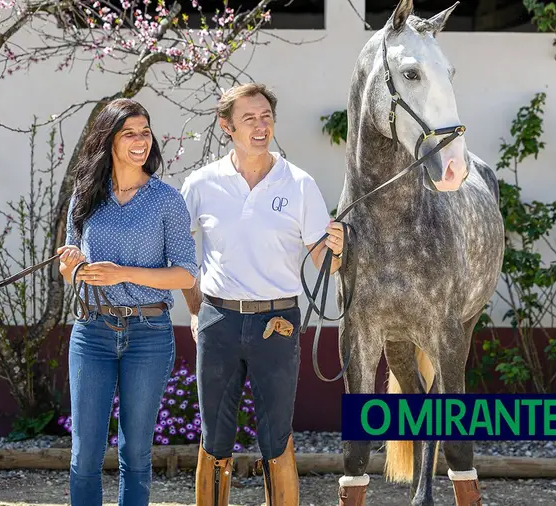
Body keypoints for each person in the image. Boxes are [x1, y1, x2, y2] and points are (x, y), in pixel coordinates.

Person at [180, 84, 346, 506]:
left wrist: (338, 251)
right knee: (214, 435)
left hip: (279, 322)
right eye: (249, 118)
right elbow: (180, 258)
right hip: (218, 320)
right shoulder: (201, 183)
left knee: (276, 433)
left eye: (266, 117)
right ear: (227, 126)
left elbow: (323, 265)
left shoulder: (300, 183)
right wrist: (197, 311)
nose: (260, 126)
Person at [56, 98, 198, 506]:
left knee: (136, 453)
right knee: (85, 454)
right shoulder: (85, 196)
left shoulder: (166, 200)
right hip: (92, 332)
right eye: (129, 133)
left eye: (145, 132)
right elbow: (69, 267)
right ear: (109, 140)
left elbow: (186, 273)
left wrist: (123, 273)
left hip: (149, 334)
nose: (140, 141)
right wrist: (75, 268)